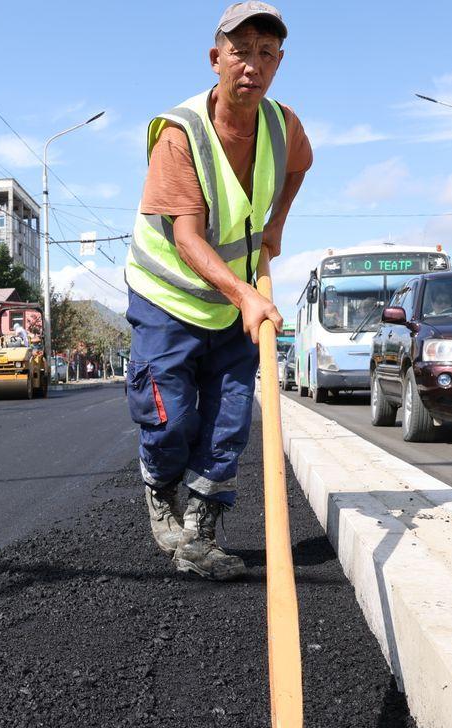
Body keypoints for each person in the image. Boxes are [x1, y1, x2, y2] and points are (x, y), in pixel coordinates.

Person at [125, 2, 312, 581]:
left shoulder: (284, 125)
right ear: (216, 59)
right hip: (169, 296)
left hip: (233, 302)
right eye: (240, 51)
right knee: (171, 417)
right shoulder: (179, 135)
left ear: (278, 63)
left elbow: (299, 166)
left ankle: (199, 535)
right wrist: (247, 295)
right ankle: (160, 484)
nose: (251, 65)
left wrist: (277, 223)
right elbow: (186, 237)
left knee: (230, 417)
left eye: (265, 54)